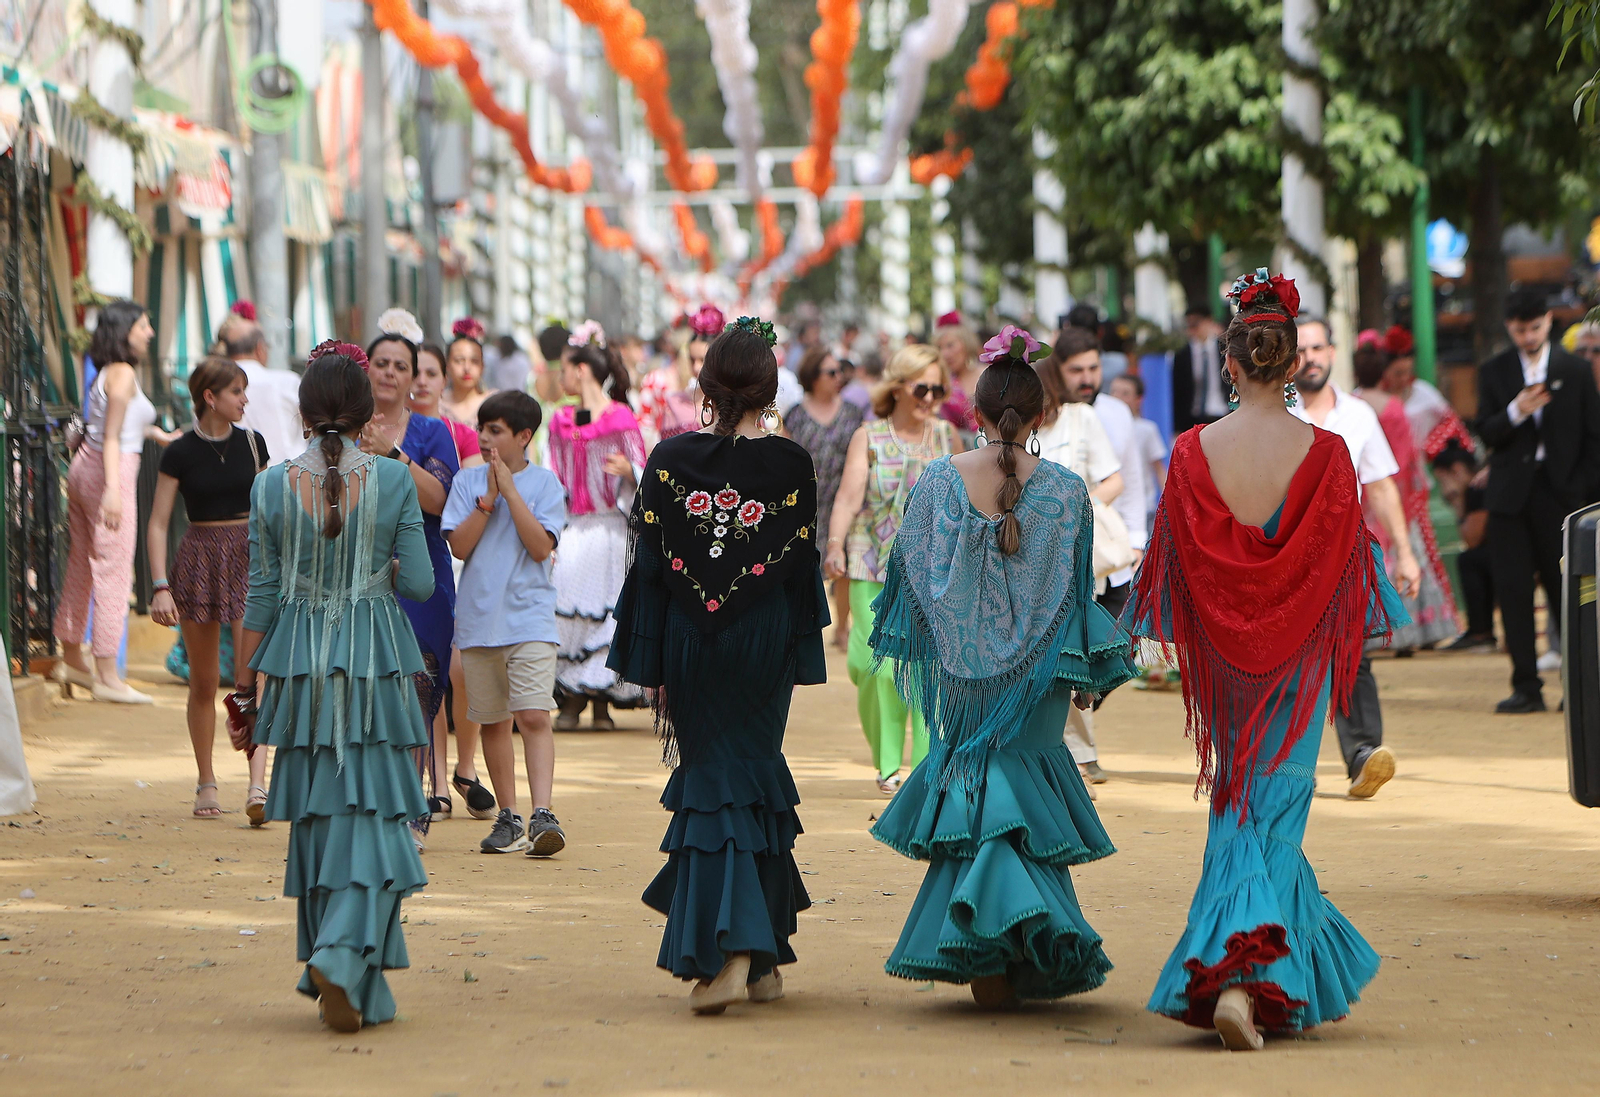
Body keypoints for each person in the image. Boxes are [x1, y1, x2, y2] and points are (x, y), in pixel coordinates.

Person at [1125, 270, 1409, 1051]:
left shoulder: (1192, 451)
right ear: (1290, 362)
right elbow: (1346, 568)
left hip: (1226, 660)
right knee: (1273, 810)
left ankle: (1262, 976)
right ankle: (1241, 981)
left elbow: (1173, 562)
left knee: (1239, 799)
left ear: (1231, 361)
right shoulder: (1328, 453)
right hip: (1298, 660)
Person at [868, 329, 1134, 1008]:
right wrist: (1075, 672)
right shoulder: (1068, 492)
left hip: (963, 678)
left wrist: (954, 640)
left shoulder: (938, 481)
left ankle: (982, 944)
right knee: (1024, 803)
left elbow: (910, 575)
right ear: (1042, 414)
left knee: (978, 797)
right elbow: (1074, 594)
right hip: (1038, 681)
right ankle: (1024, 943)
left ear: (976, 412)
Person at [608, 316, 827, 1015]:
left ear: (706, 389)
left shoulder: (669, 459)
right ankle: (761, 960)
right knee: (753, 775)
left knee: (712, 784)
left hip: (691, 641)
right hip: (763, 642)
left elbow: (649, 568)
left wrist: (648, 660)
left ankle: (732, 954)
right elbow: (799, 570)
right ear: (770, 391)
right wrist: (795, 654)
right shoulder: (793, 464)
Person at [238, 344, 434, 1033]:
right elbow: (420, 584)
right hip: (373, 662)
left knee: (320, 819)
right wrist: (382, 566)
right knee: (375, 816)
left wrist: (244, 689)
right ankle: (343, 954)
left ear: (303, 413)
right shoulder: (393, 479)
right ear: (365, 414)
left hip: (298, 666)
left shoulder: (268, 486)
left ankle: (348, 976)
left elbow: (260, 598)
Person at [1291, 313, 1420, 797]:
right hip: (1283, 557)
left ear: (1332, 352)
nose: (1309, 359)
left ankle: (1364, 755)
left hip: (1345, 555)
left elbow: (1381, 487)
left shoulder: (1359, 415)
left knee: (1353, 656)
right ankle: (1281, 762)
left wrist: (1405, 552)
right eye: (1299, 351)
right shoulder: (1275, 415)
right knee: (1289, 661)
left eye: (1317, 348)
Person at [826, 344, 960, 794]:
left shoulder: (948, 437)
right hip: (871, 562)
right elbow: (848, 498)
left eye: (938, 390)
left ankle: (911, 767)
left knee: (922, 670)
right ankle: (884, 752)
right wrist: (834, 546)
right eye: (922, 388)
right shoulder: (869, 436)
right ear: (899, 387)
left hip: (931, 570)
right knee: (872, 667)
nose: (930, 398)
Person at [443, 390, 569, 856]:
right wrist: (488, 499)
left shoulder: (546, 484)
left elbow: (540, 547)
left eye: (495, 430)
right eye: (481, 428)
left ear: (523, 436)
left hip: (529, 618)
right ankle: (509, 817)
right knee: (493, 722)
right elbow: (460, 546)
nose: (483, 438)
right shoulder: (466, 482)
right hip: (478, 620)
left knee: (533, 714)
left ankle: (543, 814)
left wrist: (510, 492)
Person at [148, 357, 271, 820]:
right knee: (202, 681)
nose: (244, 400)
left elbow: (272, 510)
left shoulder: (253, 444)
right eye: (237, 392)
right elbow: (158, 523)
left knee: (252, 677)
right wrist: (160, 585)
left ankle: (257, 784)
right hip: (199, 560)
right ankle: (206, 781)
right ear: (210, 398)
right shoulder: (180, 451)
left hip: (248, 558)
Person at [1475, 288, 1600, 712]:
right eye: (1519, 329)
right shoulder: (1494, 371)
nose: (1527, 337)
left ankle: (1577, 688)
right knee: (1513, 593)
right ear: (1508, 327)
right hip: (1509, 499)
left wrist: (1581, 490)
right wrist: (1517, 410)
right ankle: (1526, 687)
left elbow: (1593, 436)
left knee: (1567, 591)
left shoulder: (1575, 370)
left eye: (1534, 327)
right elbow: (1486, 431)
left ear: (1548, 322)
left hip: (1561, 496)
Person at [53, 300, 179, 704]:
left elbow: (115, 425)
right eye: (143, 325)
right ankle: (107, 675)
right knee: (113, 572)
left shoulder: (109, 370)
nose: (149, 332)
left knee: (82, 566)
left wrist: (157, 435)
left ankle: (73, 657)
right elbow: (111, 436)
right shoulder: (123, 373)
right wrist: (112, 488)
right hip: (110, 471)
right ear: (126, 331)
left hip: (85, 468)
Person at [365, 311, 462, 833]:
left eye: (401, 366)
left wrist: (394, 455)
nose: (390, 373)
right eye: (381, 363)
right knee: (367, 690)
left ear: (413, 377)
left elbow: (441, 500)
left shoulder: (432, 432)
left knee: (418, 690)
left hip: (423, 576)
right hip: (360, 576)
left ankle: (410, 813)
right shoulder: (346, 431)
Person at [1035, 325, 1129, 788]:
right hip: (1025, 552)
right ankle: (1067, 753)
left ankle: (1078, 752)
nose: (1088, 377)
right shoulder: (1012, 425)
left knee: (1071, 651)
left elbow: (1114, 480)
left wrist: (1075, 508)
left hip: (1074, 555)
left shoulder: (1082, 419)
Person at [548, 322, 648, 728]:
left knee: (607, 613)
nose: (561, 378)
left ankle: (600, 700)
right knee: (570, 609)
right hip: (575, 527)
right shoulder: (560, 421)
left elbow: (645, 471)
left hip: (611, 528)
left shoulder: (621, 417)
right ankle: (572, 700)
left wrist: (630, 471)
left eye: (564, 369)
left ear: (582, 370)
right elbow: (553, 475)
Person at [1350, 341, 1459, 652]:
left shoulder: (1351, 404)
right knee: (1405, 555)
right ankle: (1410, 632)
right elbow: (1405, 456)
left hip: (1362, 492)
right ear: (1383, 374)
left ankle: (1372, 631)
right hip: (1394, 491)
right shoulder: (1393, 406)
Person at [786, 345, 865, 652]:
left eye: (840, 372)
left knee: (843, 563)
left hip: (843, 496)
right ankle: (803, 625)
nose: (838, 377)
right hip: (807, 501)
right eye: (831, 372)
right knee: (804, 563)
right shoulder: (796, 414)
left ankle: (842, 627)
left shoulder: (852, 412)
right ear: (813, 376)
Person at [217, 302, 305, 465]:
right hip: (293, 473)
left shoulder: (215, 388)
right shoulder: (287, 382)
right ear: (260, 349)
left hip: (239, 475)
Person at [1432, 443, 1496, 651]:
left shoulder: (1478, 488)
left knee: (1469, 560)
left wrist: (1457, 499)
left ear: (1457, 470)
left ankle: (1480, 632)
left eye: (1443, 479)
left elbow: (1472, 539)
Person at [639, 304, 720, 447]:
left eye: (703, 360)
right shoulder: (675, 402)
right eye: (692, 360)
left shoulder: (734, 403)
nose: (696, 367)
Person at [411, 339, 483, 468]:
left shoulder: (465, 436)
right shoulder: (386, 431)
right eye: (415, 374)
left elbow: (473, 480)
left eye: (431, 374)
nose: (422, 382)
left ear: (444, 381)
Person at [1110, 372, 1168, 524]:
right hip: (1112, 508)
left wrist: (1169, 502)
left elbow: (1159, 469)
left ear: (1138, 399)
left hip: (1143, 508)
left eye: (1125, 393)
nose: (1117, 397)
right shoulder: (1101, 426)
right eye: (1114, 391)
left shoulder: (1147, 429)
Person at [1171, 306, 1228, 434]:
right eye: (1189, 325)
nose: (1193, 328)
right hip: (1193, 418)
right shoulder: (1182, 354)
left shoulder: (1225, 349)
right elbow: (1178, 391)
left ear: (1209, 321)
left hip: (1222, 412)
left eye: (1196, 323)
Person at [933, 312, 983, 435]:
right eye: (940, 348)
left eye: (950, 345)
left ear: (966, 343)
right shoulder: (940, 383)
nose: (945, 354)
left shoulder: (987, 374)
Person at [442, 317, 491, 426]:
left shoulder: (494, 404)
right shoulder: (436, 404)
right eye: (459, 361)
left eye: (474, 361)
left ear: (482, 366)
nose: (467, 368)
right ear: (447, 365)